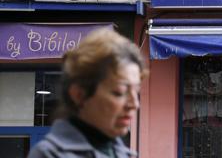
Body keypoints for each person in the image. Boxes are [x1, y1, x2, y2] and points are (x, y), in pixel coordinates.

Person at [28, 28, 147, 158]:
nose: (134, 104)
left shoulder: (126, 154)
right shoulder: (49, 154)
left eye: (136, 91)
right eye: (120, 92)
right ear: (79, 94)